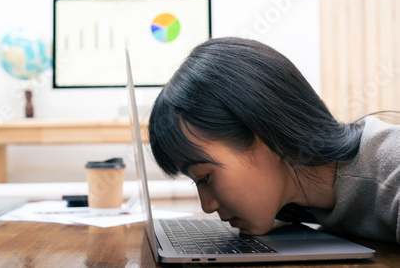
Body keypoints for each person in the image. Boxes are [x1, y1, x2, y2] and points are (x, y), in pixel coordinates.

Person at [148, 37, 400, 243]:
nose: (207, 205)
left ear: (268, 133)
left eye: (205, 177)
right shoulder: (302, 202)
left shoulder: (392, 174)